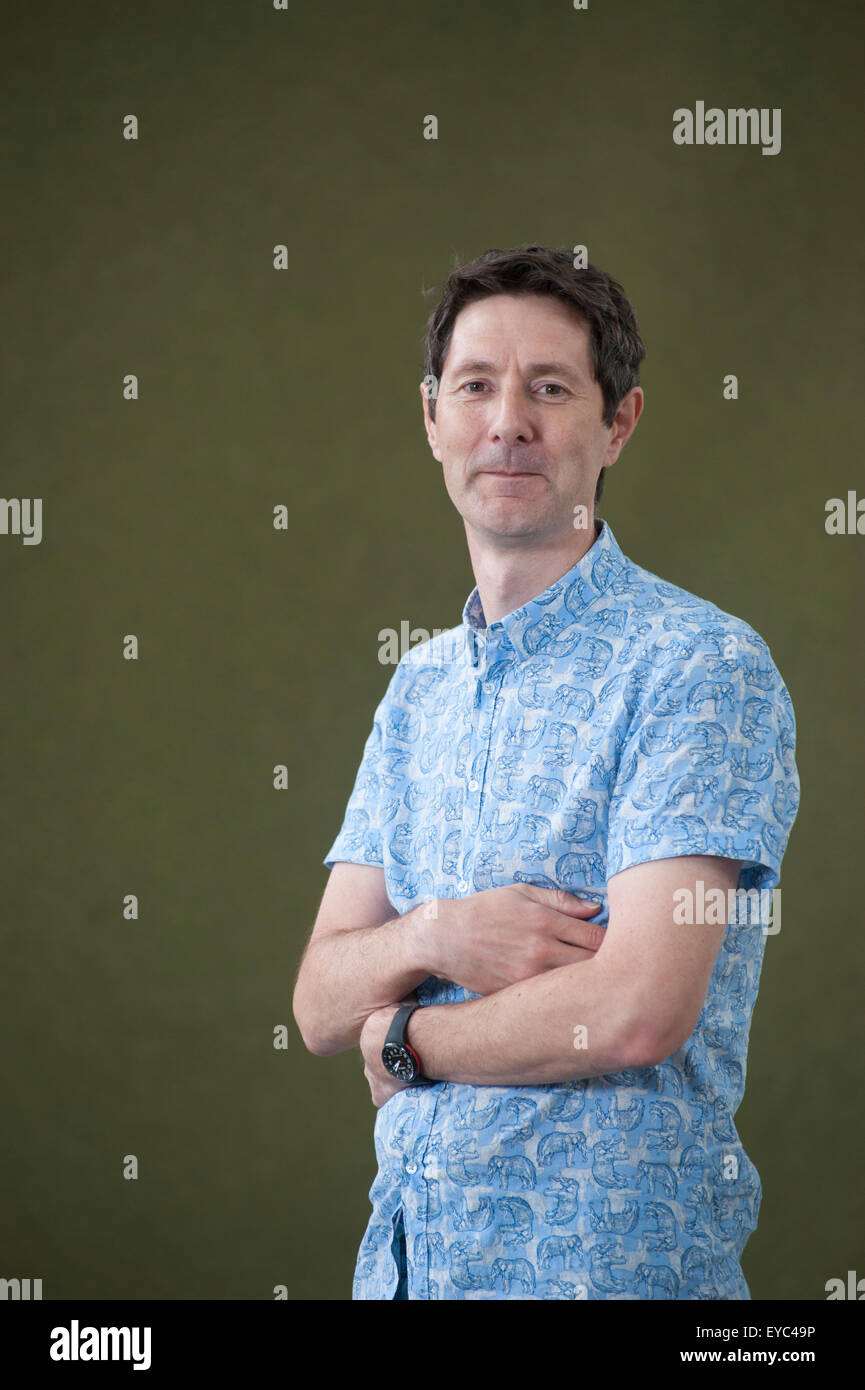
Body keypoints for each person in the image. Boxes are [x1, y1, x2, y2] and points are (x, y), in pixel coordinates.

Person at [293, 245, 800, 1300]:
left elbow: (636, 1010)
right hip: (405, 1275)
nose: (507, 420)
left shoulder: (698, 665)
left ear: (617, 423)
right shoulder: (418, 691)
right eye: (475, 385)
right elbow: (316, 999)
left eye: (550, 387)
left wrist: (407, 1038)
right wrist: (440, 933)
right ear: (432, 416)